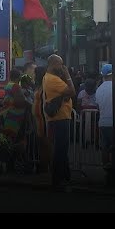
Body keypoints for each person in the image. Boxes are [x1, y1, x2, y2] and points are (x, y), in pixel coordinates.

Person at [43, 54, 75, 191]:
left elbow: (66, 94)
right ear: (53, 64)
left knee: (61, 148)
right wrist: (67, 75)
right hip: (60, 117)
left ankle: (64, 176)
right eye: (60, 64)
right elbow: (72, 91)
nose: (62, 67)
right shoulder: (53, 79)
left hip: (60, 117)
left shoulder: (48, 78)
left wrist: (65, 95)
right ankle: (58, 179)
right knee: (60, 149)